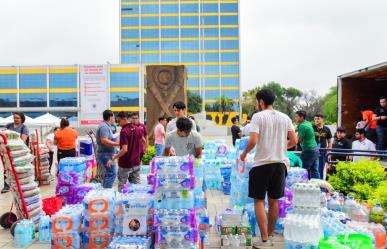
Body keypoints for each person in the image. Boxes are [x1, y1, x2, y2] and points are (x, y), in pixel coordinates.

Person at [240, 89, 297, 248]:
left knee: (258, 201)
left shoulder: (258, 117)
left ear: (261, 102)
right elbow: (294, 140)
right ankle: (270, 237)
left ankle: (264, 239)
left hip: (262, 165)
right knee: (274, 202)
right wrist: (280, 148)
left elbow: (252, 140)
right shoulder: (285, 117)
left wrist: (244, 154)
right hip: (280, 165)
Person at [112, 112, 144, 192]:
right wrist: (138, 150)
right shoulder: (137, 128)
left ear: (125, 119)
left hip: (125, 164)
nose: (118, 124)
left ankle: (122, 203)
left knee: (122, 186)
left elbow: (124, 149)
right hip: (136, 162)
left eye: (119, 121)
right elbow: (142, 140)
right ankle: (135, 202)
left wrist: (114, 157)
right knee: (136, 187)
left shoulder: (124, 131)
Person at [3, 112, 30, 193]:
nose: (15, 119)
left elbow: (23, 140)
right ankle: (7, 185)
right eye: (14, 118)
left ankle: (21, 184)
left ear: (22, 119)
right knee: (7, 167)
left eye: (17, 118)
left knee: (19, 168)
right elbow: (3, 135)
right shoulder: (9, 125)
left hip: (19, 152)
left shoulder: (24, 128)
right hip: (8, 151)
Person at [96, 110, 119, 188]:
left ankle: (105, 192)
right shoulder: (104, 127)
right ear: (110, 117)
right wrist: (117, 144)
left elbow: (110, 138)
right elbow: (104, 140)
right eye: (113, 117)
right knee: (111, 173)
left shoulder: (107, 126)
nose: (114, 119)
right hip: (105, 154)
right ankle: (106, 193)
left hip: (107, 153)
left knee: (109, 173)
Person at [295, 110, 319, 179]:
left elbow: (298, 141)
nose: (295, 118)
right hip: (315, 149)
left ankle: (301, 187)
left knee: (302, 169)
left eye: (297, 117)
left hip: (308, 150)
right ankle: (319, 188)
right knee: (314, 170)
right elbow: (294, 129)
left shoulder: (303, 126)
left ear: (301, 117)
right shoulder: (306, 123)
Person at [313, 114, 332, 180]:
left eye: (318, 119)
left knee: (322, 167)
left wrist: (329, 152)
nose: (316, 120)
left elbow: (329, 141)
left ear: (322, 119)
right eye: (315, 119)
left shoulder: (327, 129)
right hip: (313, 151)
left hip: (323, 151)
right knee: (314, 167)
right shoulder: (312, 128)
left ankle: (321, 183)